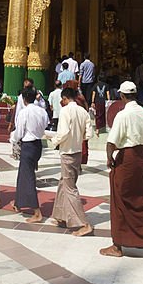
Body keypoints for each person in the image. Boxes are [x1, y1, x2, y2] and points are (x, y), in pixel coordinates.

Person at [101, 81, 143, 260]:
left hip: (127, 158)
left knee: (120, 199)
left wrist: (109, 158)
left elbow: (112, 141)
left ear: (122, 96)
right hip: (140, 156)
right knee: (140, 198)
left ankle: (118, 245)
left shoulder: (123, 115)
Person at [47, 85, 94, 236]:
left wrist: (54, 141)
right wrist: (78, 137)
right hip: (78, 152)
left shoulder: (66, 111)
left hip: (67, 152)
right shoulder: (83, 111)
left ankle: (84, 224)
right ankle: (60, 216)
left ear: (65, 99)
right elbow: (89, 134)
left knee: (70, 187)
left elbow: (63, 132)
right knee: (64, 182)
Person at [11, 86, 49, 224]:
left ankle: (37, 212)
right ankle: (18, 203)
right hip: (38, 145)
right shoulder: (42, 111)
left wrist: (13, 139)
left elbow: (19, 132)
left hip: (28, 145)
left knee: (28, 177)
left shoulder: (24, 112)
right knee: (23, 174)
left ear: (24, 99)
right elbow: (45, 125)